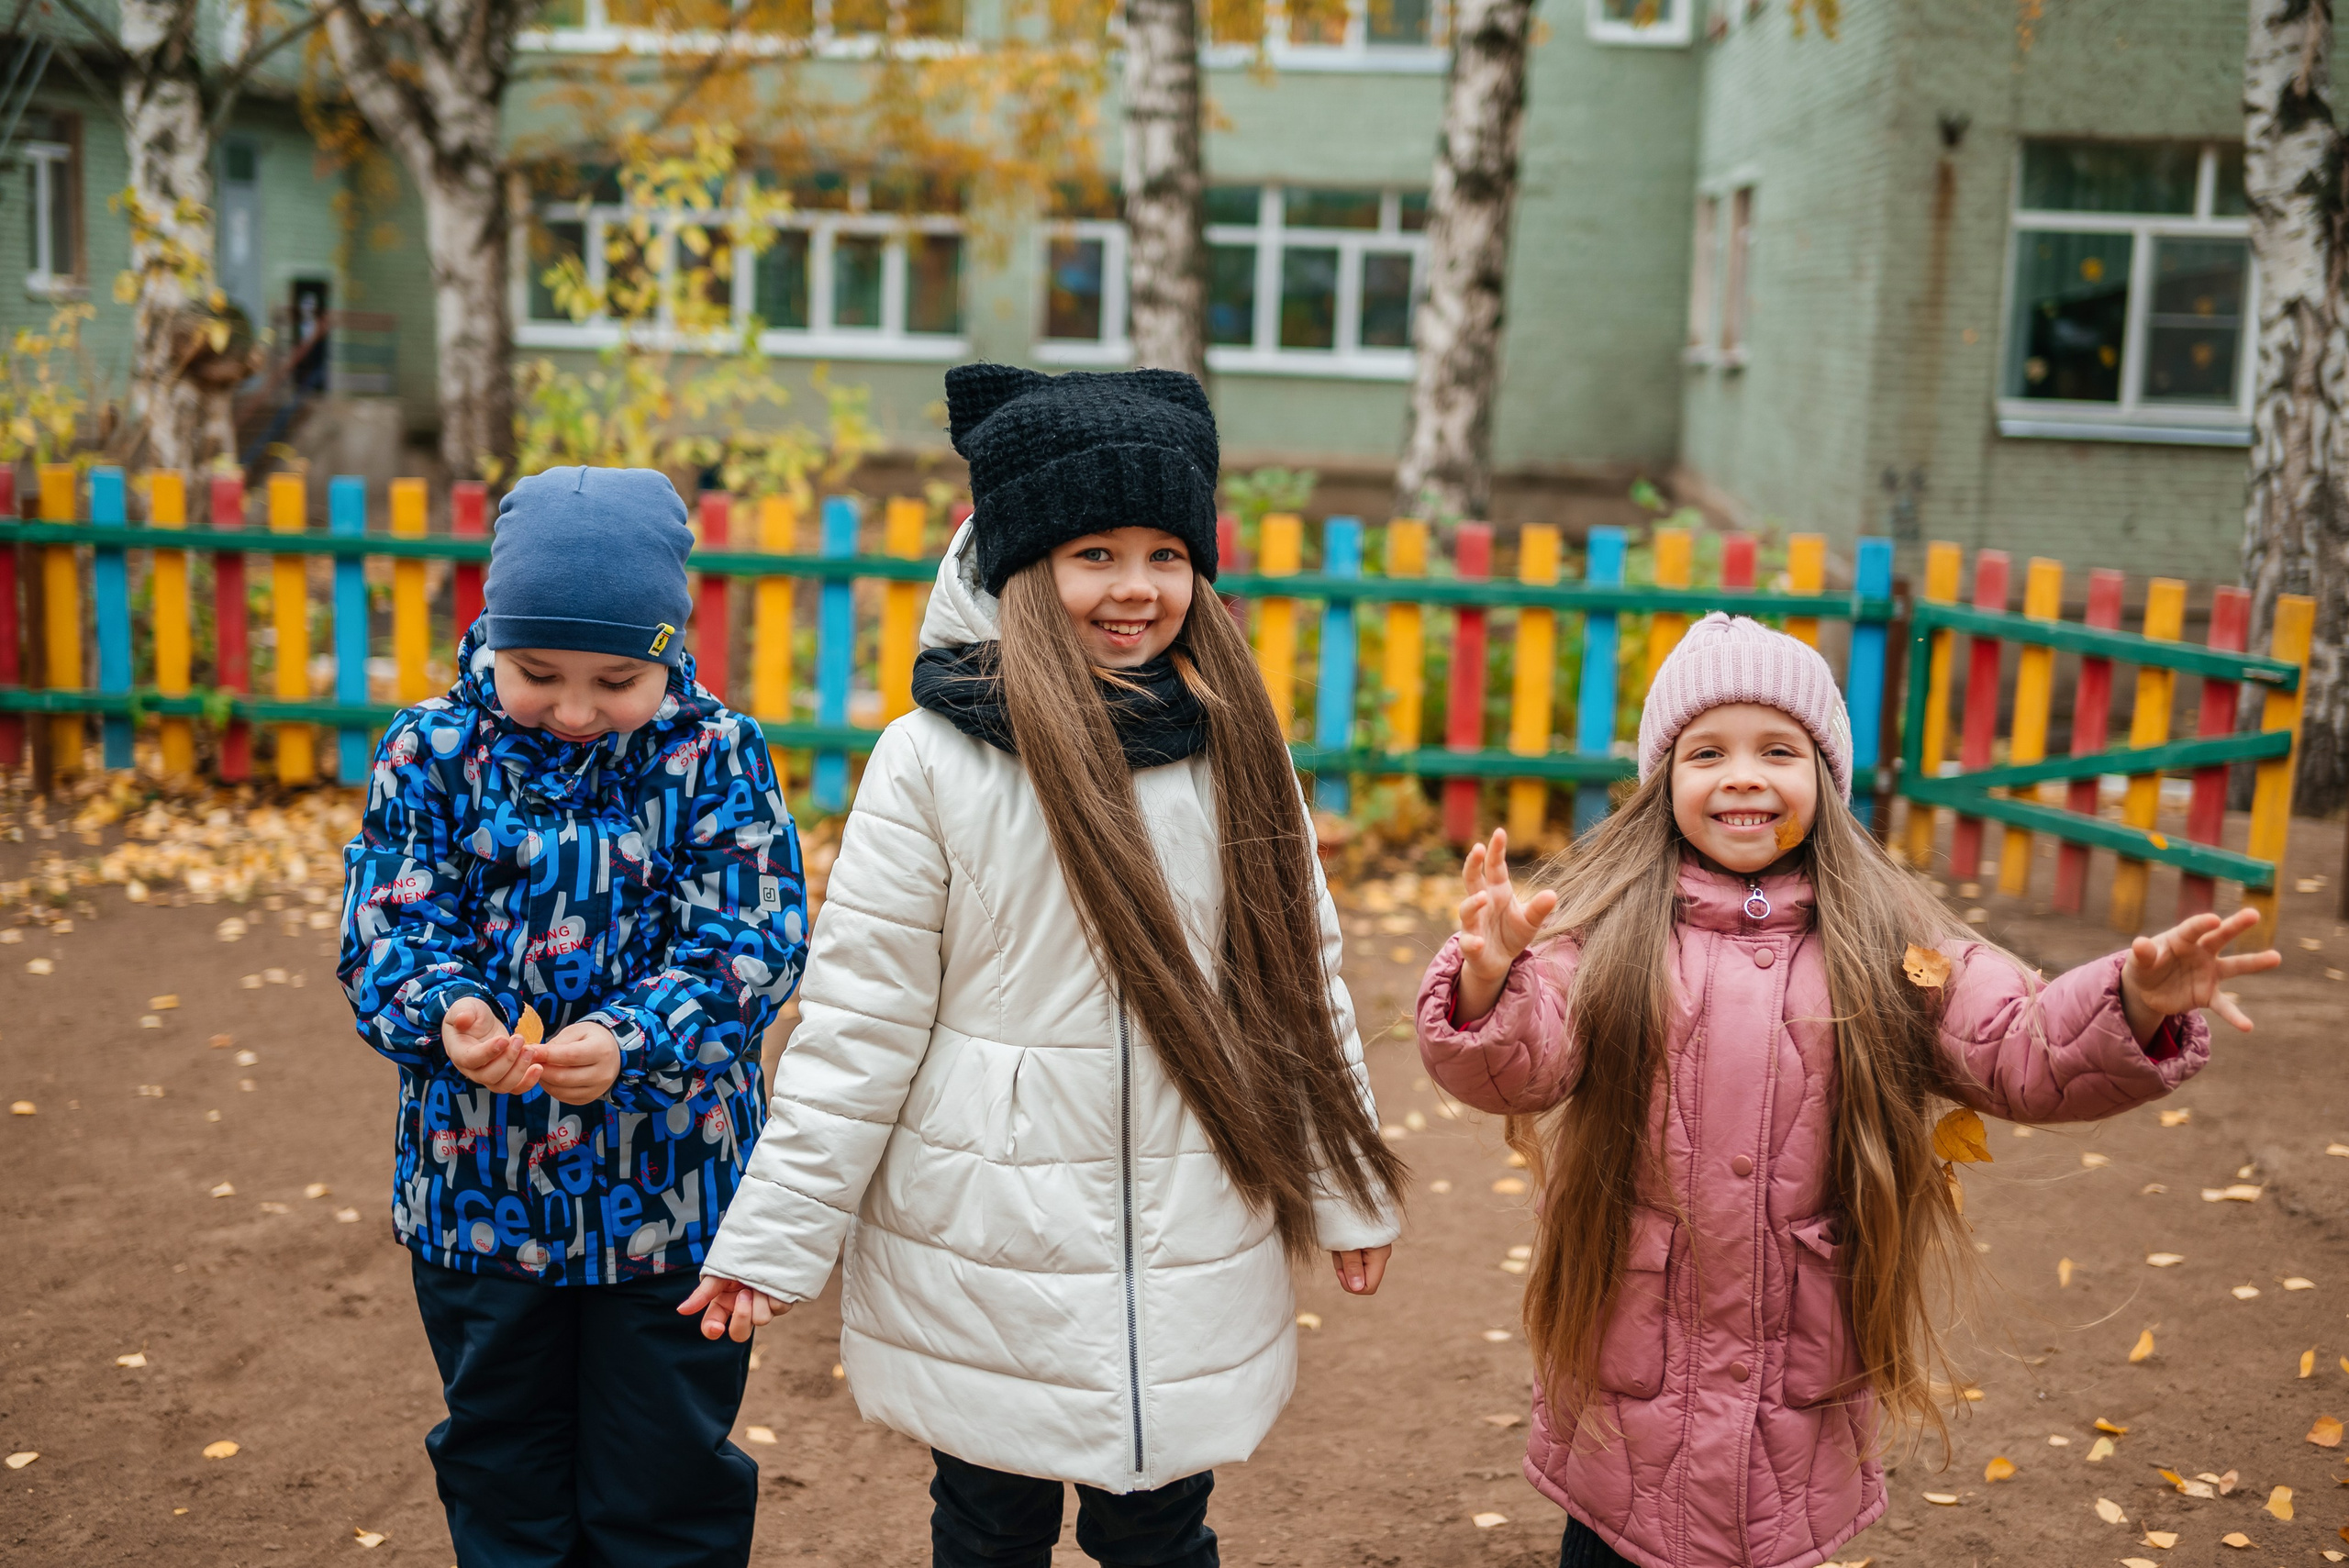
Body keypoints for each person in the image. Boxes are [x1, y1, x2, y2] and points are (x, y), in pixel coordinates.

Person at [685, 364, 1405, 1568]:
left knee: (1163, 1531)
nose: (1136, 588)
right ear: (1023, 564)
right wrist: (774, 1237)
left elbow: (1300, 982)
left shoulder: (1236, 746)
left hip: (1189, 1219)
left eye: (1166, 554)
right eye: (1095, 554)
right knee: (989, 1527)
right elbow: (860, 1020)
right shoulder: (932, 760)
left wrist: (1347, 1183)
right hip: (990, 1233)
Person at [1415, 611, 2279, 1568]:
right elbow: (1518, 1063)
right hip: (1630, 1408)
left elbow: (2020, 1047)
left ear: (1825, 778)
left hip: (1797, 1392)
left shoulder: (1889, 942)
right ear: (1663, 782)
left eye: (1778, 749)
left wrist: (2132, 1001)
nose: (1743, 774)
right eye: (1707, 751)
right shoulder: (1609, 935)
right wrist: (1488, 981)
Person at [339, 465, 807, 1568]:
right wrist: (450, 1010)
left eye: (617, 678)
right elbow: (389, 922)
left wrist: (631, 1038)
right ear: (491, 638)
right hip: (476, 1195)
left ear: (670, 653)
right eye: (537, 674)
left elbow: (751, 941)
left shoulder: (719, 754)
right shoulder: (429, 749)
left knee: (667, 1474)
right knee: (502, 1462)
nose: (578, 709)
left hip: (673, 1200)